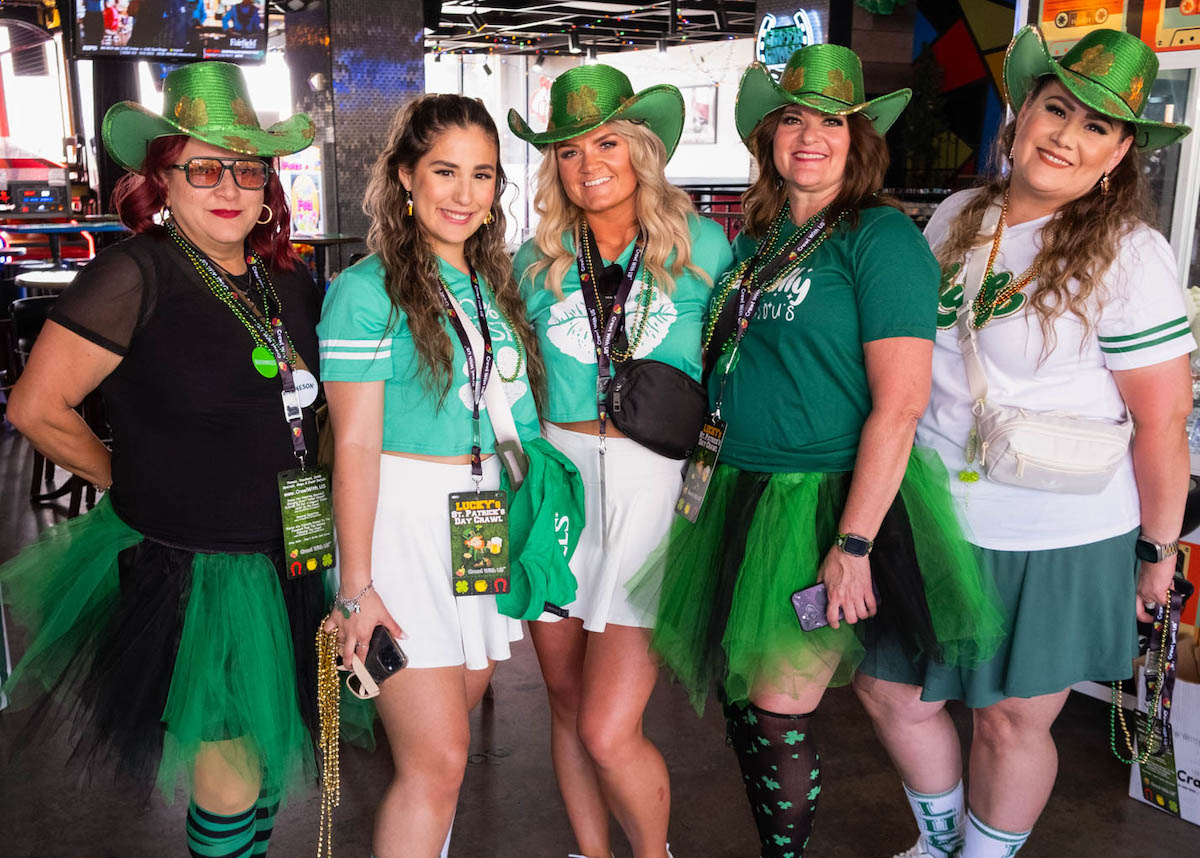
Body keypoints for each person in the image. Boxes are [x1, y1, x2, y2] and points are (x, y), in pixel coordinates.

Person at [630, 45, 1004, 858]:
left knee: (775, 708)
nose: (809, 137)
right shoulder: (760, 240)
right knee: (745, 700)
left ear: (858, 140)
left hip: (822, 500)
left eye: (831, 123)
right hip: (740, 490)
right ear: (768, 138)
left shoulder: (880, 239)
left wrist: (854, 542)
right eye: (792, 119)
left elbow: (900, 405)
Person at [854, 26, 1195, 858]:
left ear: (1118, 155)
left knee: (1011, 718)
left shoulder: (1130, 253)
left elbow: (1161, 422)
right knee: (892, 693)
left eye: (1095, 128)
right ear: (1022, 115)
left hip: (1056, 530)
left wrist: (1159, 548)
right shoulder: (958, 216)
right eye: (1056, 110)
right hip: (932, 510)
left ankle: (983, 854)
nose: (1066, 137)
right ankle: (938, 841)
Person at [1, 62, 322, 856]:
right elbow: (37, 408)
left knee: (273, 764)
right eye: (203, 166)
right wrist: (122, 480)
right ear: (162, 177)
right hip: (192, 570)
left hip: (294, 555)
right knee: (231, 775)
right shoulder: (134, 273)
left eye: (247, 168)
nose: (229, 186)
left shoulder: (293, 284)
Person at [508, 65, 733, 858]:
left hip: (652, 491)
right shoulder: (531, 257)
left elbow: (731, 380)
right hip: (557, 490)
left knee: (609, 726)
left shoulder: (703, 244)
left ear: (641, 148)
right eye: (568, 150)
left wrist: (708, 498)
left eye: (606, 142)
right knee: (566, 708)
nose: (588, 163)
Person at [317, 93, 550, 858]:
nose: (463, 193)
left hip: (478, 519)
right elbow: (352, 447)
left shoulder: (491, 286)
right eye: (444, 172)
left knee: (448, 756)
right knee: (437, 760)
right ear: (406, 177)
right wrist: (357, 588)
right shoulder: (364, 292)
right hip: (402, 526)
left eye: (482, 175)